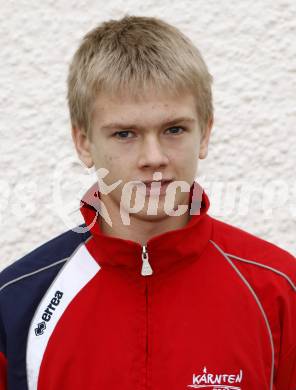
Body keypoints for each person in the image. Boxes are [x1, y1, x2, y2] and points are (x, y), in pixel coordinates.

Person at [0, 14, 295, 390]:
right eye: (125, 133)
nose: (153, 156)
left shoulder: (280, 291)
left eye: (174, 129)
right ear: (83, 142)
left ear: (204, 134)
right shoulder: (16, 302)